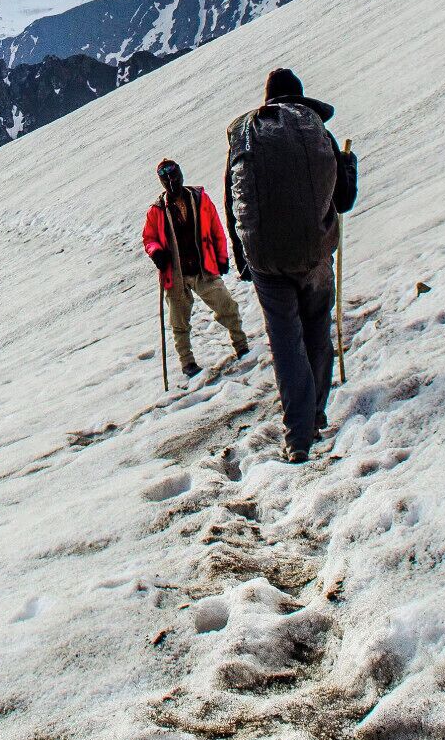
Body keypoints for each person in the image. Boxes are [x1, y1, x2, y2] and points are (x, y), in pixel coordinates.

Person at [225, 68, 358, 462]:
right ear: (299, 97)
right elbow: (345, 199)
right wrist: (348, 165)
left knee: (286, 343)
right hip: (314, 252)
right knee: (317, 329)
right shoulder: (317, 129)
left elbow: (233, 202)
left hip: (266, 259)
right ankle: (315, 414)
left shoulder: (247, 134)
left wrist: (244, 259)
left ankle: (297, 436)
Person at [142, 159, 250, 378]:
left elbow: (215, 229)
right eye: (166, 178)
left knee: (226, 305)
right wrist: (157, 253)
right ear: (162, 182)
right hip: (175, 273)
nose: (171, 181)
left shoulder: (199, 199)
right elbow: (149, 238)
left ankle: (241, 345)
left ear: (181, 175)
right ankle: (187, 362)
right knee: (179, 321)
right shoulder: (157, 211)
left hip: (203, 267)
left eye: (174, 176)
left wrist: (221, 257)